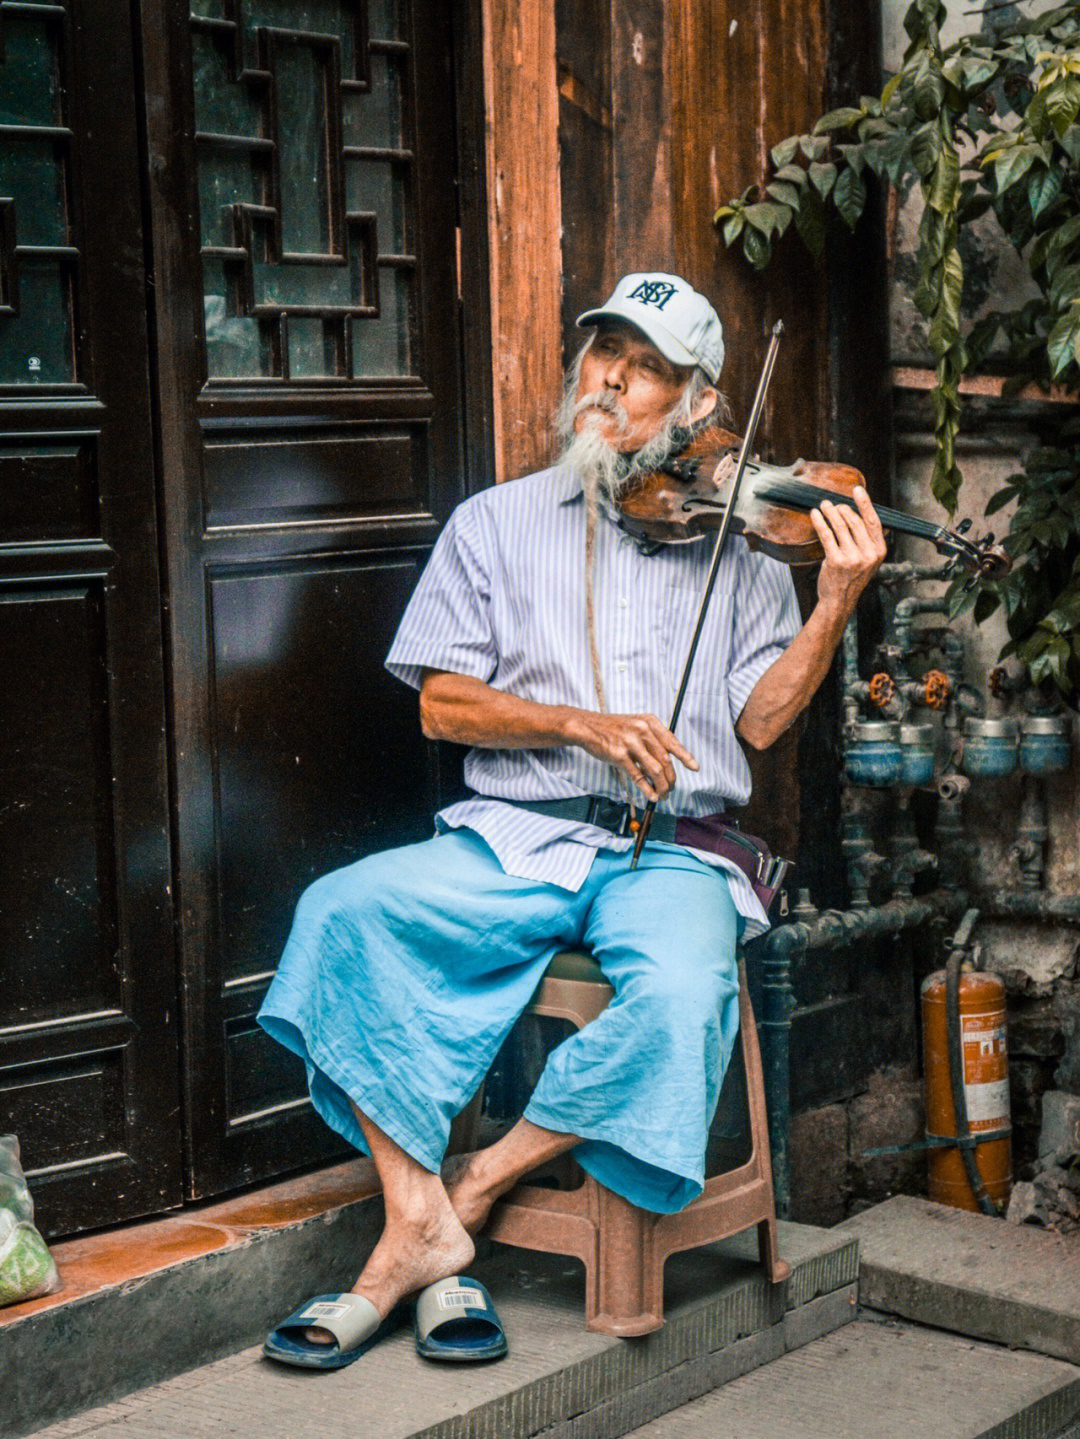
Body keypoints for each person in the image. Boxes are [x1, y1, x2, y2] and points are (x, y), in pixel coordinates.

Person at [258, 272, 886, 1365]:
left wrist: (833, 602)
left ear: (698, 406)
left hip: (673, 854)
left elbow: (766, 720)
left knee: (685, 994)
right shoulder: (496, 523)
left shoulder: (738, 545)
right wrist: (582, 726)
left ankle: (470, 1186)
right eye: (602, 352)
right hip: (520, 835)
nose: (608, 379)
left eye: (644, 369)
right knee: (339, 912)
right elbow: (443, 703)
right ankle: (415, 1224)